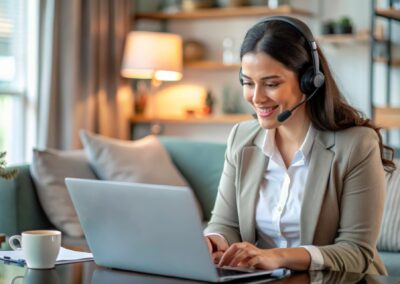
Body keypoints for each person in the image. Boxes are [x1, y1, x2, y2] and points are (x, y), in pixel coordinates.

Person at [204, 16, 395, 275]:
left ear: (309, 81)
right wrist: (214, 240)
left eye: (271, 84)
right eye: (248, 83)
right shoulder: (241, 137)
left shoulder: (357, 145)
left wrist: (277, 257)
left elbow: (356, 251)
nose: (257, 97)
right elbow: (225, 222)